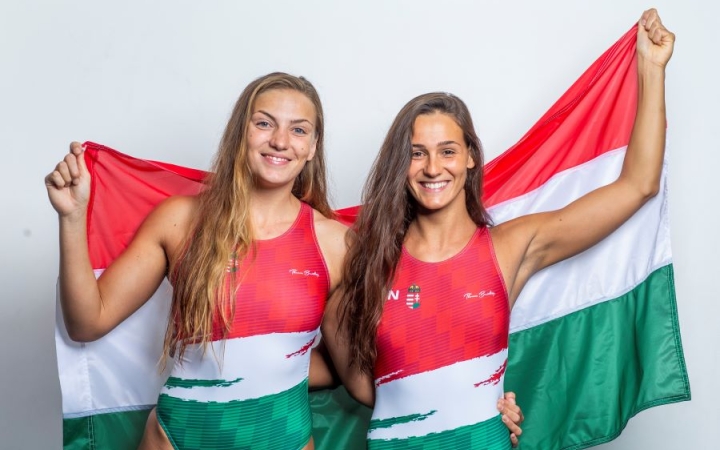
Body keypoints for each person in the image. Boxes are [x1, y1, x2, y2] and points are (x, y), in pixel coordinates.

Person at [46, 72, 524, 449]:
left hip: (285, 439)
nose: (280, 140)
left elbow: (380, 359)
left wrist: (480, 405)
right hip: (175, 438)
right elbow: (88, 322)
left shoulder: (338, 245)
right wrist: (72, 219)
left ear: (312, 146)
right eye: (264, 123)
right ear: (241, 132)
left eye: (298, 129)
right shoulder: (179, 221)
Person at [323, 8, 673, 450]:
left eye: (447, 151)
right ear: (400, 164)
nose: (433, 168)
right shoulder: (368, 260)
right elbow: (362, 383)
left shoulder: (510, 247)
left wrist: (651, 69)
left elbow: (638, 186)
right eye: (417, 153)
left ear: (471, 157)